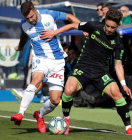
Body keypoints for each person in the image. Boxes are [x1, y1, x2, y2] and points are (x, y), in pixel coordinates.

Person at [43, 10, 132, 135]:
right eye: (108, 26)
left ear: (118, 26)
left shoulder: (118, 43)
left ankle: (129, 128)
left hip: (100, 73)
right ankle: (66, 120)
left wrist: (123, 84)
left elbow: (118, 65)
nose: (109, 29)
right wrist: (54, 32)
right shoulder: (94, 26)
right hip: (83, 68)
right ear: (105, 22)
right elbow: (73, 25)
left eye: (113, 27)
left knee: (118, 95)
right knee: (68, 90)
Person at [10, 1, 80, 133]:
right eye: (27, 18)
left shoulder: (48, 15)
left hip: (57, 61)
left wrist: (84, 27)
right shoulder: (23, 25)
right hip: (40, 59)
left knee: (54, 100)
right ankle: (20, 113)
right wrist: (20, 46)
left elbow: (70, 17)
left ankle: (39, 115)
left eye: (32, 17)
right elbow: (24, 35)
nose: (30, 20)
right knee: (36, 80)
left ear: (35, 10)